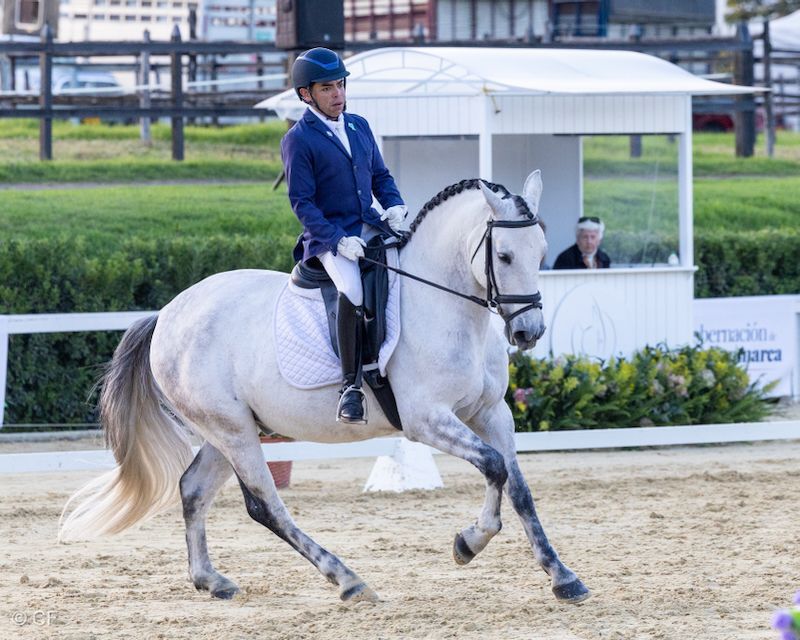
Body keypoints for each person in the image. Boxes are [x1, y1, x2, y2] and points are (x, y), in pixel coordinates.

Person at [280, 47, 407, 425]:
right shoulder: (298, 139)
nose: (338, 94)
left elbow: (380, 177)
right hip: (329, 238)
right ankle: (350, 387)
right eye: (327, 88)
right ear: (307, 94)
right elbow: (302, 204)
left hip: (369, 222)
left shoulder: (359, 125)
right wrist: (337, 240)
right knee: (351, 290)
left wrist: (395, 205)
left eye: (340, 85)